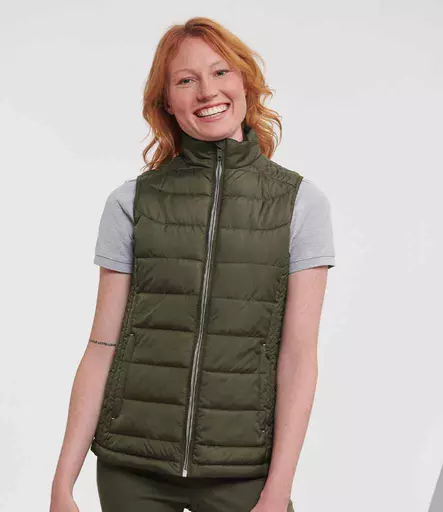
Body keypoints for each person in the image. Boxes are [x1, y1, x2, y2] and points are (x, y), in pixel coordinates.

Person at [50, 16, 335, 512]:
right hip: (132, 468)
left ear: (245, 82)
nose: (207, 91)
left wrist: (277, 491)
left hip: (242, 472)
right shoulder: (132, 202)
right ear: (166, 101)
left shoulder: (299, 203)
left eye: (221, 72)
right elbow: (101, 346)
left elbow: (297, 358)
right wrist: (62, 483)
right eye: (186, 80)